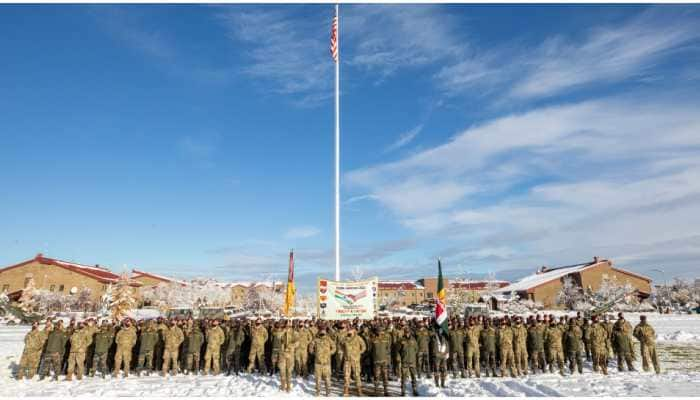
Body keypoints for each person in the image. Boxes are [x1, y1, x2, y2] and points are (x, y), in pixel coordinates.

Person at [309, 327, 336, 397]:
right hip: (318, 363)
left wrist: (329, 353)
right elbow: (310, 348)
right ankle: (318, 392)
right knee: (318, 379)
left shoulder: (329, 339)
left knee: (327, 379)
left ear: (325, 332)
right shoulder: (315, 340)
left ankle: (328, 392)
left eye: (323, 332)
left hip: (327, 363)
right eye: (321, 332)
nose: (322, 333)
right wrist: (315, 353)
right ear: (319, 332)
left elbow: (334, 348)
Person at [343, 326, 366, 396]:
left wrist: (358, 353)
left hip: (355, 360)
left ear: (354, 331)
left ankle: (359, 391)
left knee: (357, 375)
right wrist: (345, 353)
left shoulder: (358, 338)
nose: (349, 331)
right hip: (347, 360)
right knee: (346, 376)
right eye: (349, 330)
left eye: (351, 330)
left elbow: (364, 347)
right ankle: (346, 391)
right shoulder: (345, 338)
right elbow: (341, 345)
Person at [371, 325, 392, 396]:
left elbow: (388, 348)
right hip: (376, 361)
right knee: (376, 376)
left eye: (381, 331)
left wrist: (387, 358)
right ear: (376, 331)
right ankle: (376, 391)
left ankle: (386, 390)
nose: (379, 332)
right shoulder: (373, 339)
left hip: (384, 361)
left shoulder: (386, 338)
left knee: (385, 376)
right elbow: (370, 349)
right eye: (378, 331)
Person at [278, 320, 298, 393]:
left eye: (290, 324)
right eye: (287, 324)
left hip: (290, 354)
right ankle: (283, 386)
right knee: (282, 371)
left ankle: (288, 387)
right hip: (282, 354)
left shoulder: (294, 333)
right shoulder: (281, 331)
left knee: (289, 371)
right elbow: (278, 336)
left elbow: (297, 342)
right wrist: (284, 331)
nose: (288, 325)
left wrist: (290, 346)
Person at [399, 327, 419, 397]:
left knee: (413, 376)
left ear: (410, 332)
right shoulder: (401, 340)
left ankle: (415, 389)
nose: (407, 333)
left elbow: (416, 349)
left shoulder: (413, 339)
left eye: (408, 332)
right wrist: (401, 357)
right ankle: (403, 390)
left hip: (412, 361)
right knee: (403, 377)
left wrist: (412, 355)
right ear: (404, 332)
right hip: (404, 361)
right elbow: (398, 350)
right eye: (406, 332)